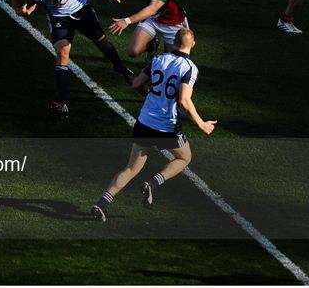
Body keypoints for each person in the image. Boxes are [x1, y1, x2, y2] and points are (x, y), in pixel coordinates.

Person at [91, 28, 216, 222]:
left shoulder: (158, 60)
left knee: (131, 168)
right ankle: (153, 183)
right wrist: (201, 123)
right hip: (167, 126)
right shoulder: (189, 68)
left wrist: (150, 93)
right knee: (184, 158)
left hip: (145, 121)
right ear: (193, 44)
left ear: (174, 42)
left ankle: (102, 203)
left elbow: (136, 84)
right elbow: (184, 99)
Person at [11, 0, 134, 118]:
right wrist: (18, 9)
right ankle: (62, 102)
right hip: (59, 18)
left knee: (101, 42)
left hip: (81, 10)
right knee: (62, 53)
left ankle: (121, 68)